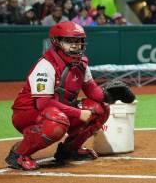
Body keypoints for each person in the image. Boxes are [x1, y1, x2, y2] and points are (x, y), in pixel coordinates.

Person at [6, 22, 110, 170]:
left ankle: (69, 151)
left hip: (58, 109)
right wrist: (78, 113)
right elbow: (43, 104)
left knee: (101, 109)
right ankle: (19, 154)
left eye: (79, 41)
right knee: (57, 121)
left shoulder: (81, 63)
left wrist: (108, 95)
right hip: (28, 114)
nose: (76, 45)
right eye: (70, 41)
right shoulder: (46, 65)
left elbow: (91, 89)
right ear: (57, 42)